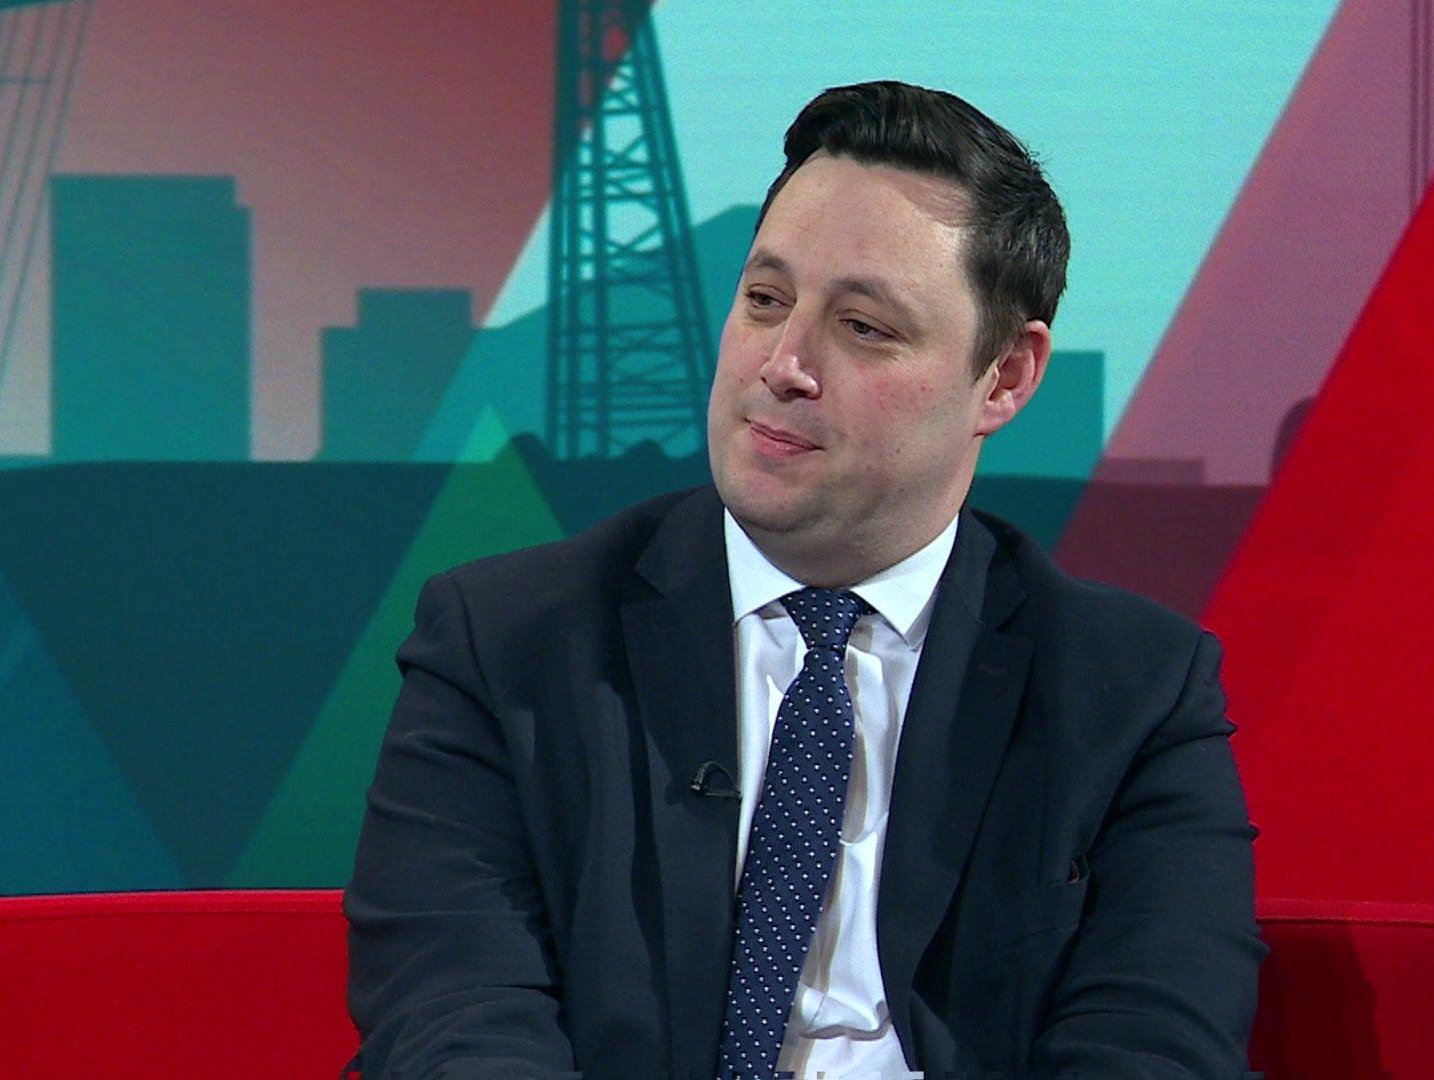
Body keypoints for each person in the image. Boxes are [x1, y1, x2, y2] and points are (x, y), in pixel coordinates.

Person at [345, 80, 1263, 1079]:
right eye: (766, 300)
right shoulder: (506, 644)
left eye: (865, 326)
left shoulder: (1131, 694)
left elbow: (1155, 1045)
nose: (784, 363)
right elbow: (453, 1024)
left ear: (1003, 378)